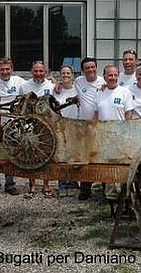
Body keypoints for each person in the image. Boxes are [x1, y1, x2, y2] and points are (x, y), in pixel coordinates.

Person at [94, 64, 134, 201]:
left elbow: (129, 114)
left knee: (121, 165)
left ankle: (124, 194)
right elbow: (96, 113)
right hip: (103, 135)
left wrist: (126, 133)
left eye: (115, 75)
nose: (112, 78)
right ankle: (110, 195)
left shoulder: (125, 92)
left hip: (120, 135)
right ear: (104, 77)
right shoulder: (99, 92)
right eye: (109, 75)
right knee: (106, 165)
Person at [0, 57, 27, 199]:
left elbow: (35, 85)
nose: (5, 72)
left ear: (11, 69)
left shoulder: (19, 81)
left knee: (11, 153)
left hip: (13, 124)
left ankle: (10, 184)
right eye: (2, 69)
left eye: (7, 69)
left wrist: (53, 83)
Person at [19, 61, 55, 198]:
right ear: (31, 72)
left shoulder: (51, 86)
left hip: (46, 125)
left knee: (46, 154)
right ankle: (32, 185)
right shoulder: (25, 86)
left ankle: (46, 185)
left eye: (41, 71)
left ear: (46, 72)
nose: (38, 74)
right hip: (30, 124)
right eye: (36, 71)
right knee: (31, 155)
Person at [73, 57, 106, 200]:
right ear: (82, 70)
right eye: (87, 68)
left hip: (100, 126)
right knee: (86, 158)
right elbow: (66, 85)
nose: (90, 70)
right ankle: (85, 189)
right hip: (84, 127)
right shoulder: (78, 82)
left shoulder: (104, 82)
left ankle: (106, 189)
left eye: (92, 67)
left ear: (96, 68)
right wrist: (59, 85)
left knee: (103, 158)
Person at [53, 65, 79, 197]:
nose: (66, 76)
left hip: (75, 126)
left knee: (74, 156)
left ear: (72, 75)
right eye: (63, 73)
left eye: (68, 73)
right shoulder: (56, 91)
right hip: (60, 126)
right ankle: (62, 183)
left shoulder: (77, 89)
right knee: (61, 155)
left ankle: (73, 182)